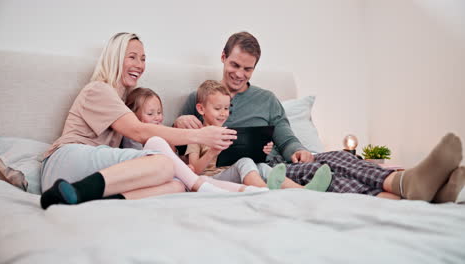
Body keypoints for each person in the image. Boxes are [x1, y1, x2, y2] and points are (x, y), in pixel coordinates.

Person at [174, 31, 464, 203]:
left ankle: (415, 187)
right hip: (263, 175)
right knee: (332, 173)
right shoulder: (199, 99)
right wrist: (179, 124)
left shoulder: (267, 99)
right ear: (223, 57)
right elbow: (181, 150)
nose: (239, 74)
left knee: (336, 158)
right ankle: (414, 188)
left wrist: (297, 149)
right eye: (235, 64)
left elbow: (284, 133)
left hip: (282, 164)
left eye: (248, 69)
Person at [39, 32, 253, 210]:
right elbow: (140, 132)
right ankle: (76, 191)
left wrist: (178, 128)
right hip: (65, 161)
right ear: (115, 58)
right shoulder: (99, 90)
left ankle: (82, 198)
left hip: (86, 173)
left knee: (176, 185)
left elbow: (147, 133)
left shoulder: (123, 102)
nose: (139, 65)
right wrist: (199, 135)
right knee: (163, 163)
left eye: (143, 58)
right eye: (132, 57)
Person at [185, 80, 332, 191]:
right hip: (210, 179)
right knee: (245, 162)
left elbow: (238, 159)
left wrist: (259, 150)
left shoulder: (228, 131)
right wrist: (212, 152)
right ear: (201, 108)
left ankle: (302, 191)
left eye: (226, 108)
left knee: (260, 165)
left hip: (232, 174)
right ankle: (265, 192)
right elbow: (194, 170)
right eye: (217, 108)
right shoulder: (196, 135)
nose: (223, 113)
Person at [119, 86, 269, 193]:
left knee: (257, 166)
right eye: (150, 114)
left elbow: (180, 161)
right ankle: (254, 192)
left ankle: (258, 191)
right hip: (172, 177)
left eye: (159, 112)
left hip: (184, 176)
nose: (158, 117)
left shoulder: (166, 134)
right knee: (196, 181)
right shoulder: (133, 137)